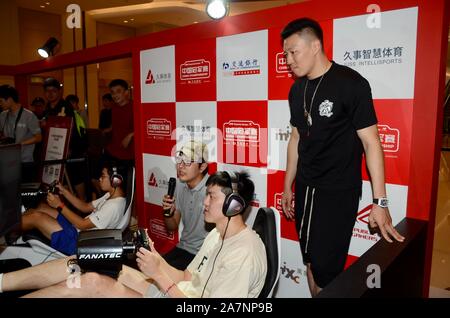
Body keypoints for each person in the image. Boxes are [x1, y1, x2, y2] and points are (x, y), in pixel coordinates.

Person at [280, 18, 405, 296]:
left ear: (315, 45)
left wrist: (380, 201)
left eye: (293, 51)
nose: (288, 60)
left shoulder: (351, 84)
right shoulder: (296, 90)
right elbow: (296, 138)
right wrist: (288, 184)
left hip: (336, 193)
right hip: (305, 188)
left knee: (327, 271)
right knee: (310, 262)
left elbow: (372, 143)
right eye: (285, 54)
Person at [0, 171, 267, 298]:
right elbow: (188, 277)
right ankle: (3, 282)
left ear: (235, 205)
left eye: (211, 196)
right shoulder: (218, 234)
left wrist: (159, 275)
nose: (204, 202)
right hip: (177, 292)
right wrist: (156, 260)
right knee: (86, 261)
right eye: (206, 195)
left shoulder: (243, 254)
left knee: (94, 282)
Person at [20, 162, 127, 255]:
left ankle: (7, 228)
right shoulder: (111, 195)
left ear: (115, 181)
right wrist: (64, 192)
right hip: (77, 231)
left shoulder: (113, 206)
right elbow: (85, 207)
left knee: (36, 217)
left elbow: (82, 224)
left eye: (103, 176)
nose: (99, 179)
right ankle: (17, 227)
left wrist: (60, 205)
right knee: (42, 207)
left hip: (77, 242)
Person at [161, 141, 210, 270]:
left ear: (202, 166)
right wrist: (168, 213)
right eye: (179, 160)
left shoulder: (212, 189)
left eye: (187, 162)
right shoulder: (180, 185)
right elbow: (172, 226)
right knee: (152, 270)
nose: (180, 166)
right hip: (183, 248)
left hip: (204, 255)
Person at [42, 78, 88, 200]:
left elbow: (71, 130)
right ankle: (69, 204)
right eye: (47, 91)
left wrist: (69, 148)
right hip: (55, 149)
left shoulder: (66, 107)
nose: (50, 93)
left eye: (54, 90)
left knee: (76, 177)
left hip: (71, 149)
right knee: (61, 178)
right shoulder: (47, 108)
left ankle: (83, 203)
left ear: (60, 91)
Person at [0, 85, 42, 182]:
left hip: (24, 162)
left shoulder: (29, 116)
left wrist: (19, 144)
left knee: (24, 193)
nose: (0, 104)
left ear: (9, 99)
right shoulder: (2, 115)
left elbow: (39, 137)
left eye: (1, 101)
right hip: (6, 163)